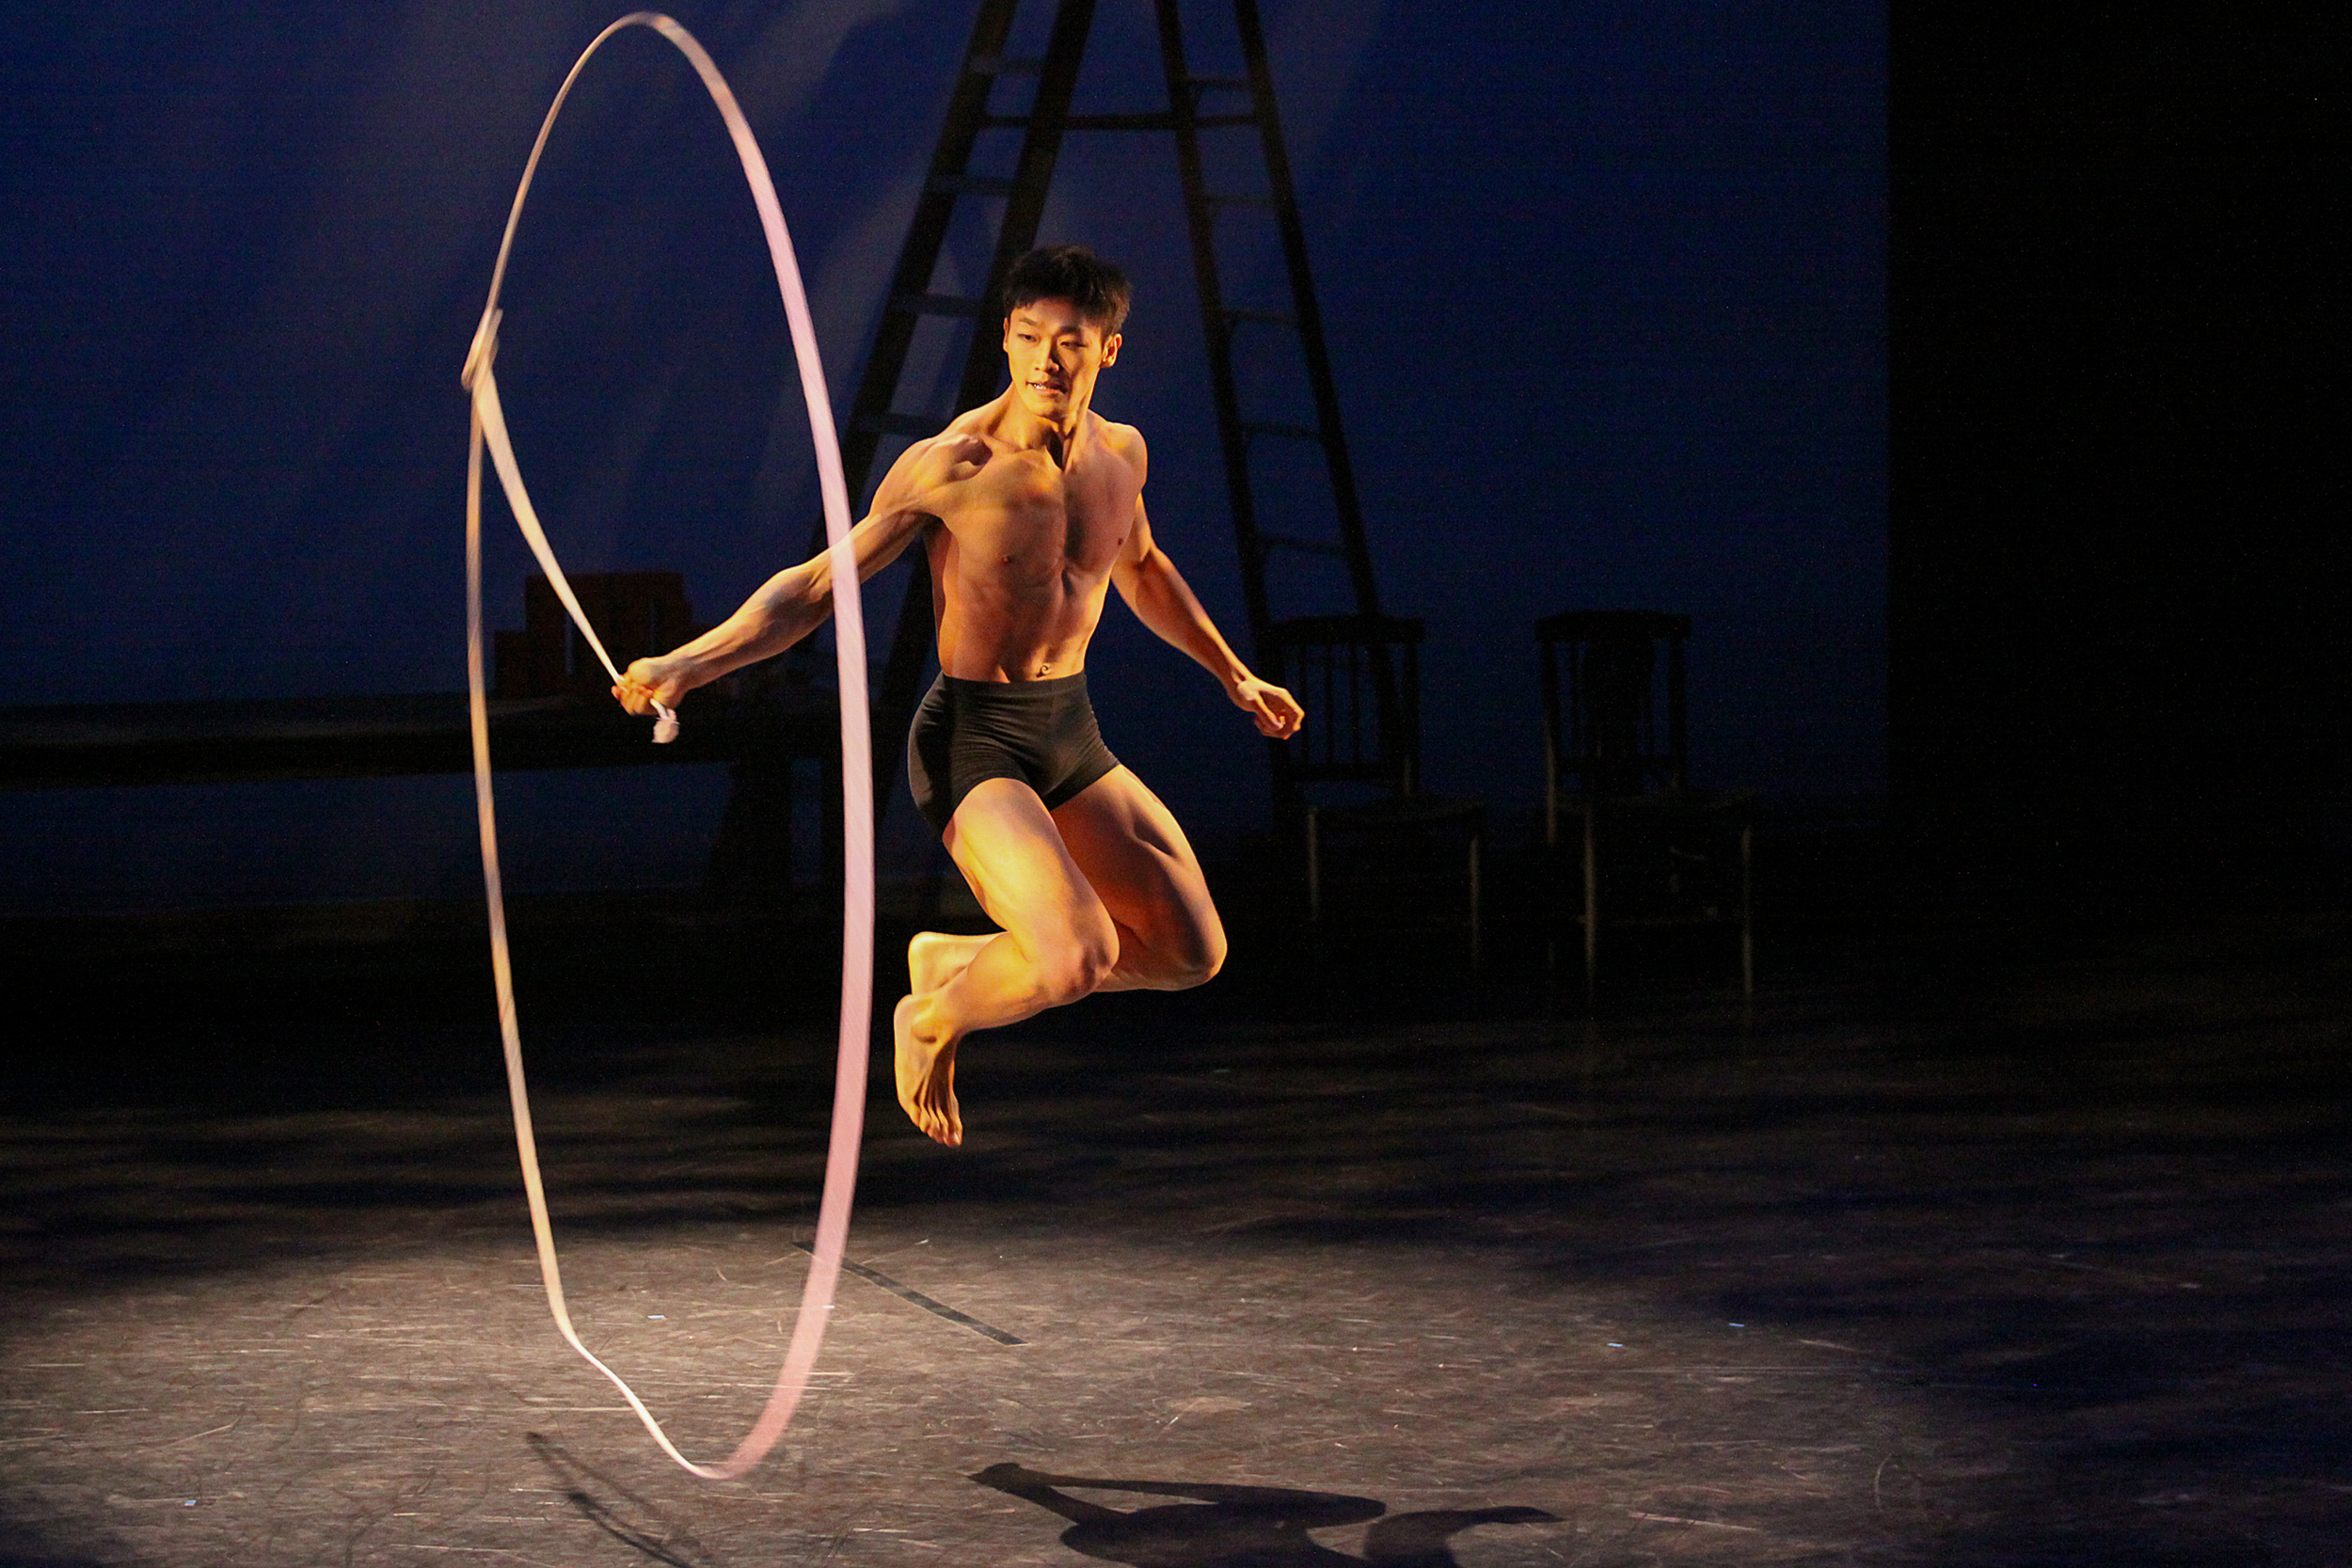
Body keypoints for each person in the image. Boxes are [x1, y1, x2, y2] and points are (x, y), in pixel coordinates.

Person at [613, 245, 1302, 1148]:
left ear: (1109, 350)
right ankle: (930, 1019)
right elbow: (820, 587)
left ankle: (958, 963)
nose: (1046, 362)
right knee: (1079, 952)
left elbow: (1141, 567)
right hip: (971, 741)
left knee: (1188, 953)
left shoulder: (1121, 456)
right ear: (1005, 342)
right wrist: (689, 666)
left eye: (1070, 342)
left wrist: (1234, 672)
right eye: (1027, 339)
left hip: (1068, 730)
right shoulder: (953, 465)